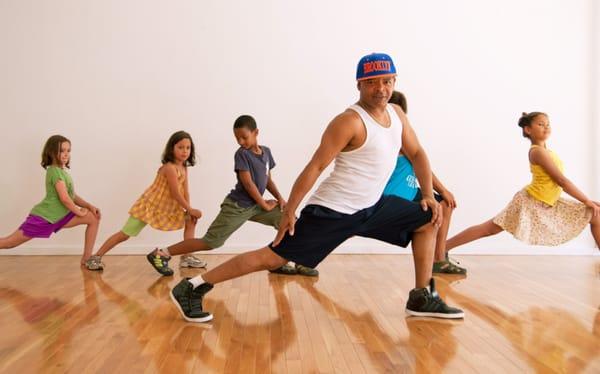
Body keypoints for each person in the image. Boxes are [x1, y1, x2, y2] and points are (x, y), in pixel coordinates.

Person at [168, 53, 464, 323]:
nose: (381, 89)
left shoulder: (397, 115)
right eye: (373, 82)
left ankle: (421, 296)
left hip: (372, 206)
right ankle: (192, 287)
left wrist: (427, 193)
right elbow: (315, 166)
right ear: (360, 84)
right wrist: (290, 210)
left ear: (394, 81)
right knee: (274, 257)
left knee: (428, 216)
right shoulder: (349, 121)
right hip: (333, 211)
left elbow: (417, 153)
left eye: (387, 81)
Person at [146, 115, 318, 277]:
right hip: (237, 206)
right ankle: (161, 254)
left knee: (288, 220)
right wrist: (265, 205)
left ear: (256, 132)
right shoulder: (241, 154)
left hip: (257, 204)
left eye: (244, 137)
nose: (240, 142)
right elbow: (248, 184)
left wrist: (280, 199)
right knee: (211, 242)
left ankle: (289, 262)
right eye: (237, 138)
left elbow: (267, 180)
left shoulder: (266, 152)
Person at [445, 111, 600, 255]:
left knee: (596, 214)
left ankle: (442, 248)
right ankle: (442, 248)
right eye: (540, 124)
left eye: (548, 124)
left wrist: (586, 202)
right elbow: (561, 181)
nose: (546, 126)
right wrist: (585, 200)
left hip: (547, 202)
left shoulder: (547, 152)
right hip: (531, 202)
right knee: (489, 229)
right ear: (528, 130)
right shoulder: (537, 152)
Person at [85, 131, 205, 272]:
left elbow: (185, 191)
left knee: (190, 221)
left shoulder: (184, 167)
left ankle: (187, 257)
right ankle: (96, 257)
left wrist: (188, 210)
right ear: (171, 148)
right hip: (150, 205)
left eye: (188, 148)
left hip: (166, 207)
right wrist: (190, 209)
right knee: (124, 234)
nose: (185, 151)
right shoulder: (170, 168)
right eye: (180, 147)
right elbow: (175, 193)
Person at [384, 91, 466, 274]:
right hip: (395, 195)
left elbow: (423, 168)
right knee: (440, 205)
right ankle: (437, 259)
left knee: (445, 204)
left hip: (410, 190)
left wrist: (442, 192)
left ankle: (439, 258)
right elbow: (419, 162)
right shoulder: (392, 136)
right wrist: (443, 190)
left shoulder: (401, 133)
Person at [0, 135, 101, 266]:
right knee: (9, 243)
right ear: (52, 152)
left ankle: (87, 259)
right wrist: (79, 212)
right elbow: (64, 199)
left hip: (60, 216)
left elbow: (72, 196)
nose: (66, 154)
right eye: (62, 150)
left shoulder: (62, 172)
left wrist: (89, 206)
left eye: (68, 151)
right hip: (45, 217)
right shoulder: (54, 172)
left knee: (93, 218)